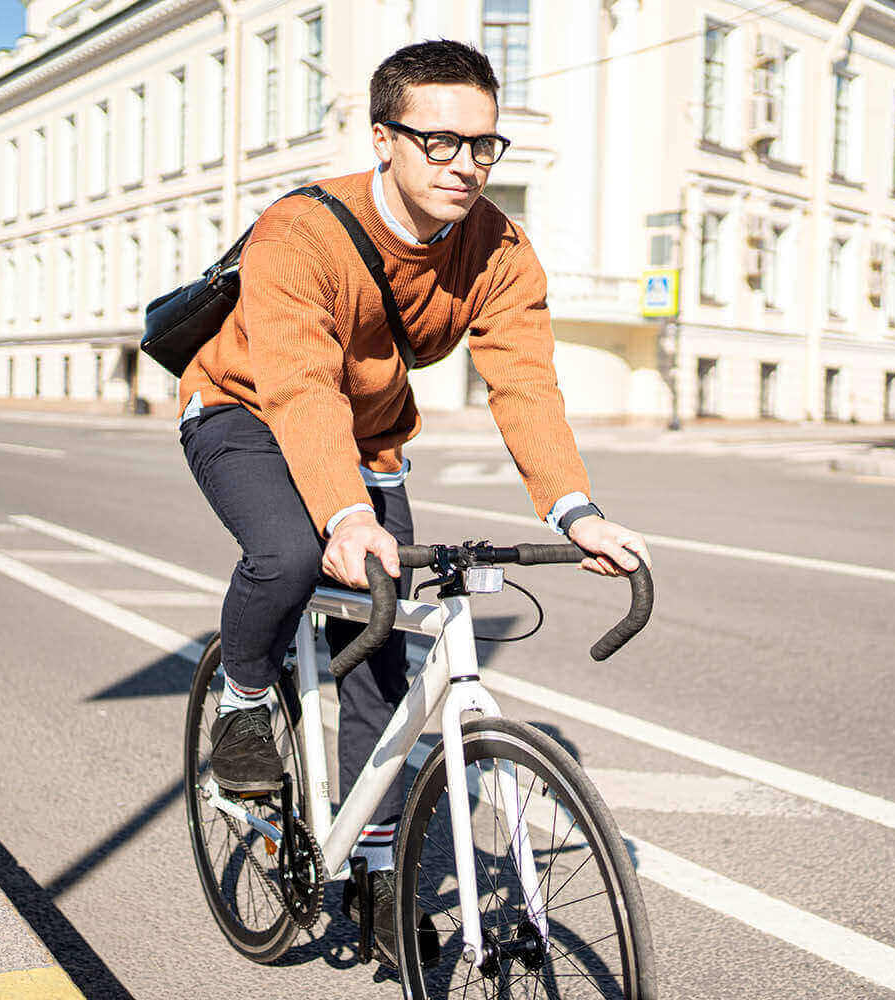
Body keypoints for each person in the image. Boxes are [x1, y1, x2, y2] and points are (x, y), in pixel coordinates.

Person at [176, 39, 650, 964]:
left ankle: (382, 872)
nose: (466, 165)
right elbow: (303, 384)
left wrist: (574, 509)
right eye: (438, 142)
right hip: (242, 407)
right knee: (291, 551)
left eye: (482, 144)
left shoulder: (499, 247)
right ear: (383, 137)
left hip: (372, 435)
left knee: (386, 662)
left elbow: (524, 383)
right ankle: (240, 700)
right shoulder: (301, 231)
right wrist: (344, 515)